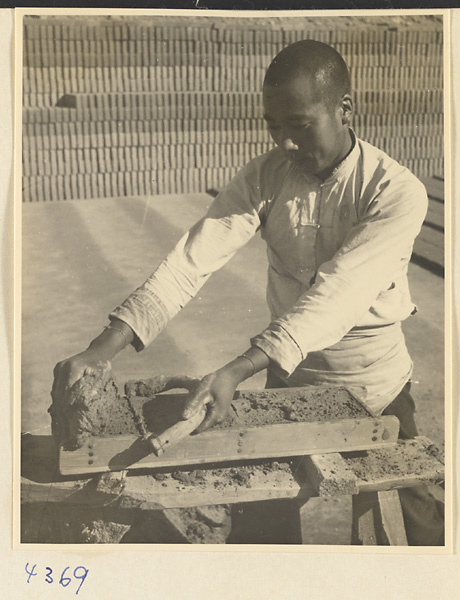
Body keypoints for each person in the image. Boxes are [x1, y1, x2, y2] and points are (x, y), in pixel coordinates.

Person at [52, 39, 444, 545]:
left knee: (421, 527)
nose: (284, 142)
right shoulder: (267, 176)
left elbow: (338, 294)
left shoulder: (395, 191)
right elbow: (191, 261)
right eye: (273, 126)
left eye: (299, 125)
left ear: (346, 110)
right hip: (290, 382)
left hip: (376, 383)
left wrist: (236, 370)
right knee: (262, 522)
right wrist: (100, 348)